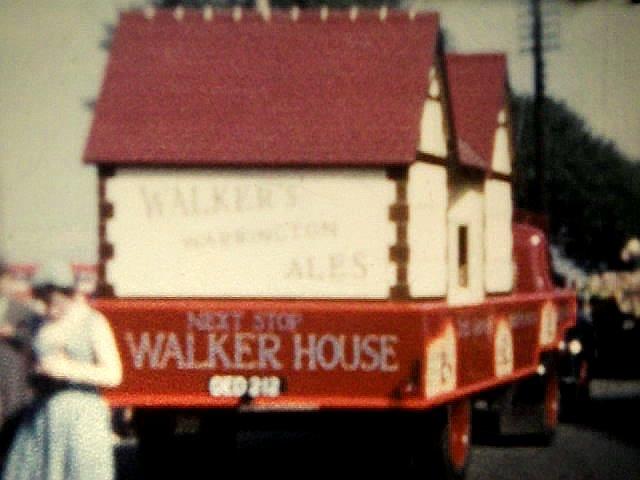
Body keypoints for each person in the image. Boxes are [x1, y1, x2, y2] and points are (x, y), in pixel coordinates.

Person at [2, 262, 122, 480]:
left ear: (70, 294)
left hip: (81, 416)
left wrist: (68, 369)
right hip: (44, 414)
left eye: (55, 302)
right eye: (44, 302)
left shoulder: (92, 322)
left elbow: (114, 374)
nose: (50, 310)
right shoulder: (38, 323)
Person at [0, 259, 42, 469]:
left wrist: (13, 334)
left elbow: (37, 341)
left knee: (11, 444)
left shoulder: (24, 312)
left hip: (12, 389)